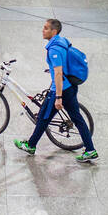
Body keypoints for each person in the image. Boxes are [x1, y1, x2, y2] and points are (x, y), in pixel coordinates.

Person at [14, 18, 98, 162]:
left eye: (46, 28)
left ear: (54, 31)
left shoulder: (54, 49)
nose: (43, 30)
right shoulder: (61, 41)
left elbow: (59, 73)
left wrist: (58, 97)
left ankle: (31, 145)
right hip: (70, 86)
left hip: (61, 90)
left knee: (44, 118)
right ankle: (90, 150)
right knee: (76, 119)